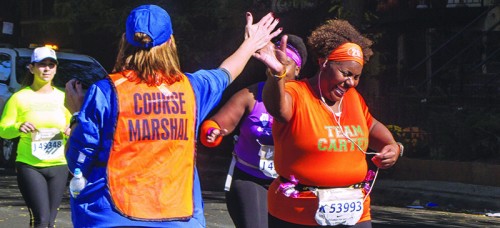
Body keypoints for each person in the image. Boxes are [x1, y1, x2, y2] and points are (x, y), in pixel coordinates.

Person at [63, 4, 281, 228]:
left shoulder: (106, 92)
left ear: (125, 41)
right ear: (170, 42)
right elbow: (227, 72)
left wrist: (77, 114)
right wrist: (251, 43)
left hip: (110, 215)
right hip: (179, 218)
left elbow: (77, 162)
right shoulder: (192, 89)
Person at [254, 20, 404, 227]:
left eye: (356, 77)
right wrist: (276, 75)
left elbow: (370, 126)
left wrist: (393, 146)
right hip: (297, 214)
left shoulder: (353, 99)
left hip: (354, 212)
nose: (351, 82)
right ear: (324, 62)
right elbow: (277, 108)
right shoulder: (297, 93)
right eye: (346, 73)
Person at [200, 34, 307, 228]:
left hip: (292, 184)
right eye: (275, 60)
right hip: (251, 178)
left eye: (286, 63)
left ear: (297, 69)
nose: (278, 66)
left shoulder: (309, 100)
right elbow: (218, 123)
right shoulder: (250, 96)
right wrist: (213, 132)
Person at [0, 46, 71, 228]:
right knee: (41, 220)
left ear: (56, 69)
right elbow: (3, 130)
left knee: (50, 222)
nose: (46, 69)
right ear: (31, 68)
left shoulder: (63, 98)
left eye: (51, 65)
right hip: (30, 165)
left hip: (59, 166)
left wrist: (71, 131)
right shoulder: (20, 98)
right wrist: (18, 126)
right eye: (41, 65)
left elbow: (75, 127)